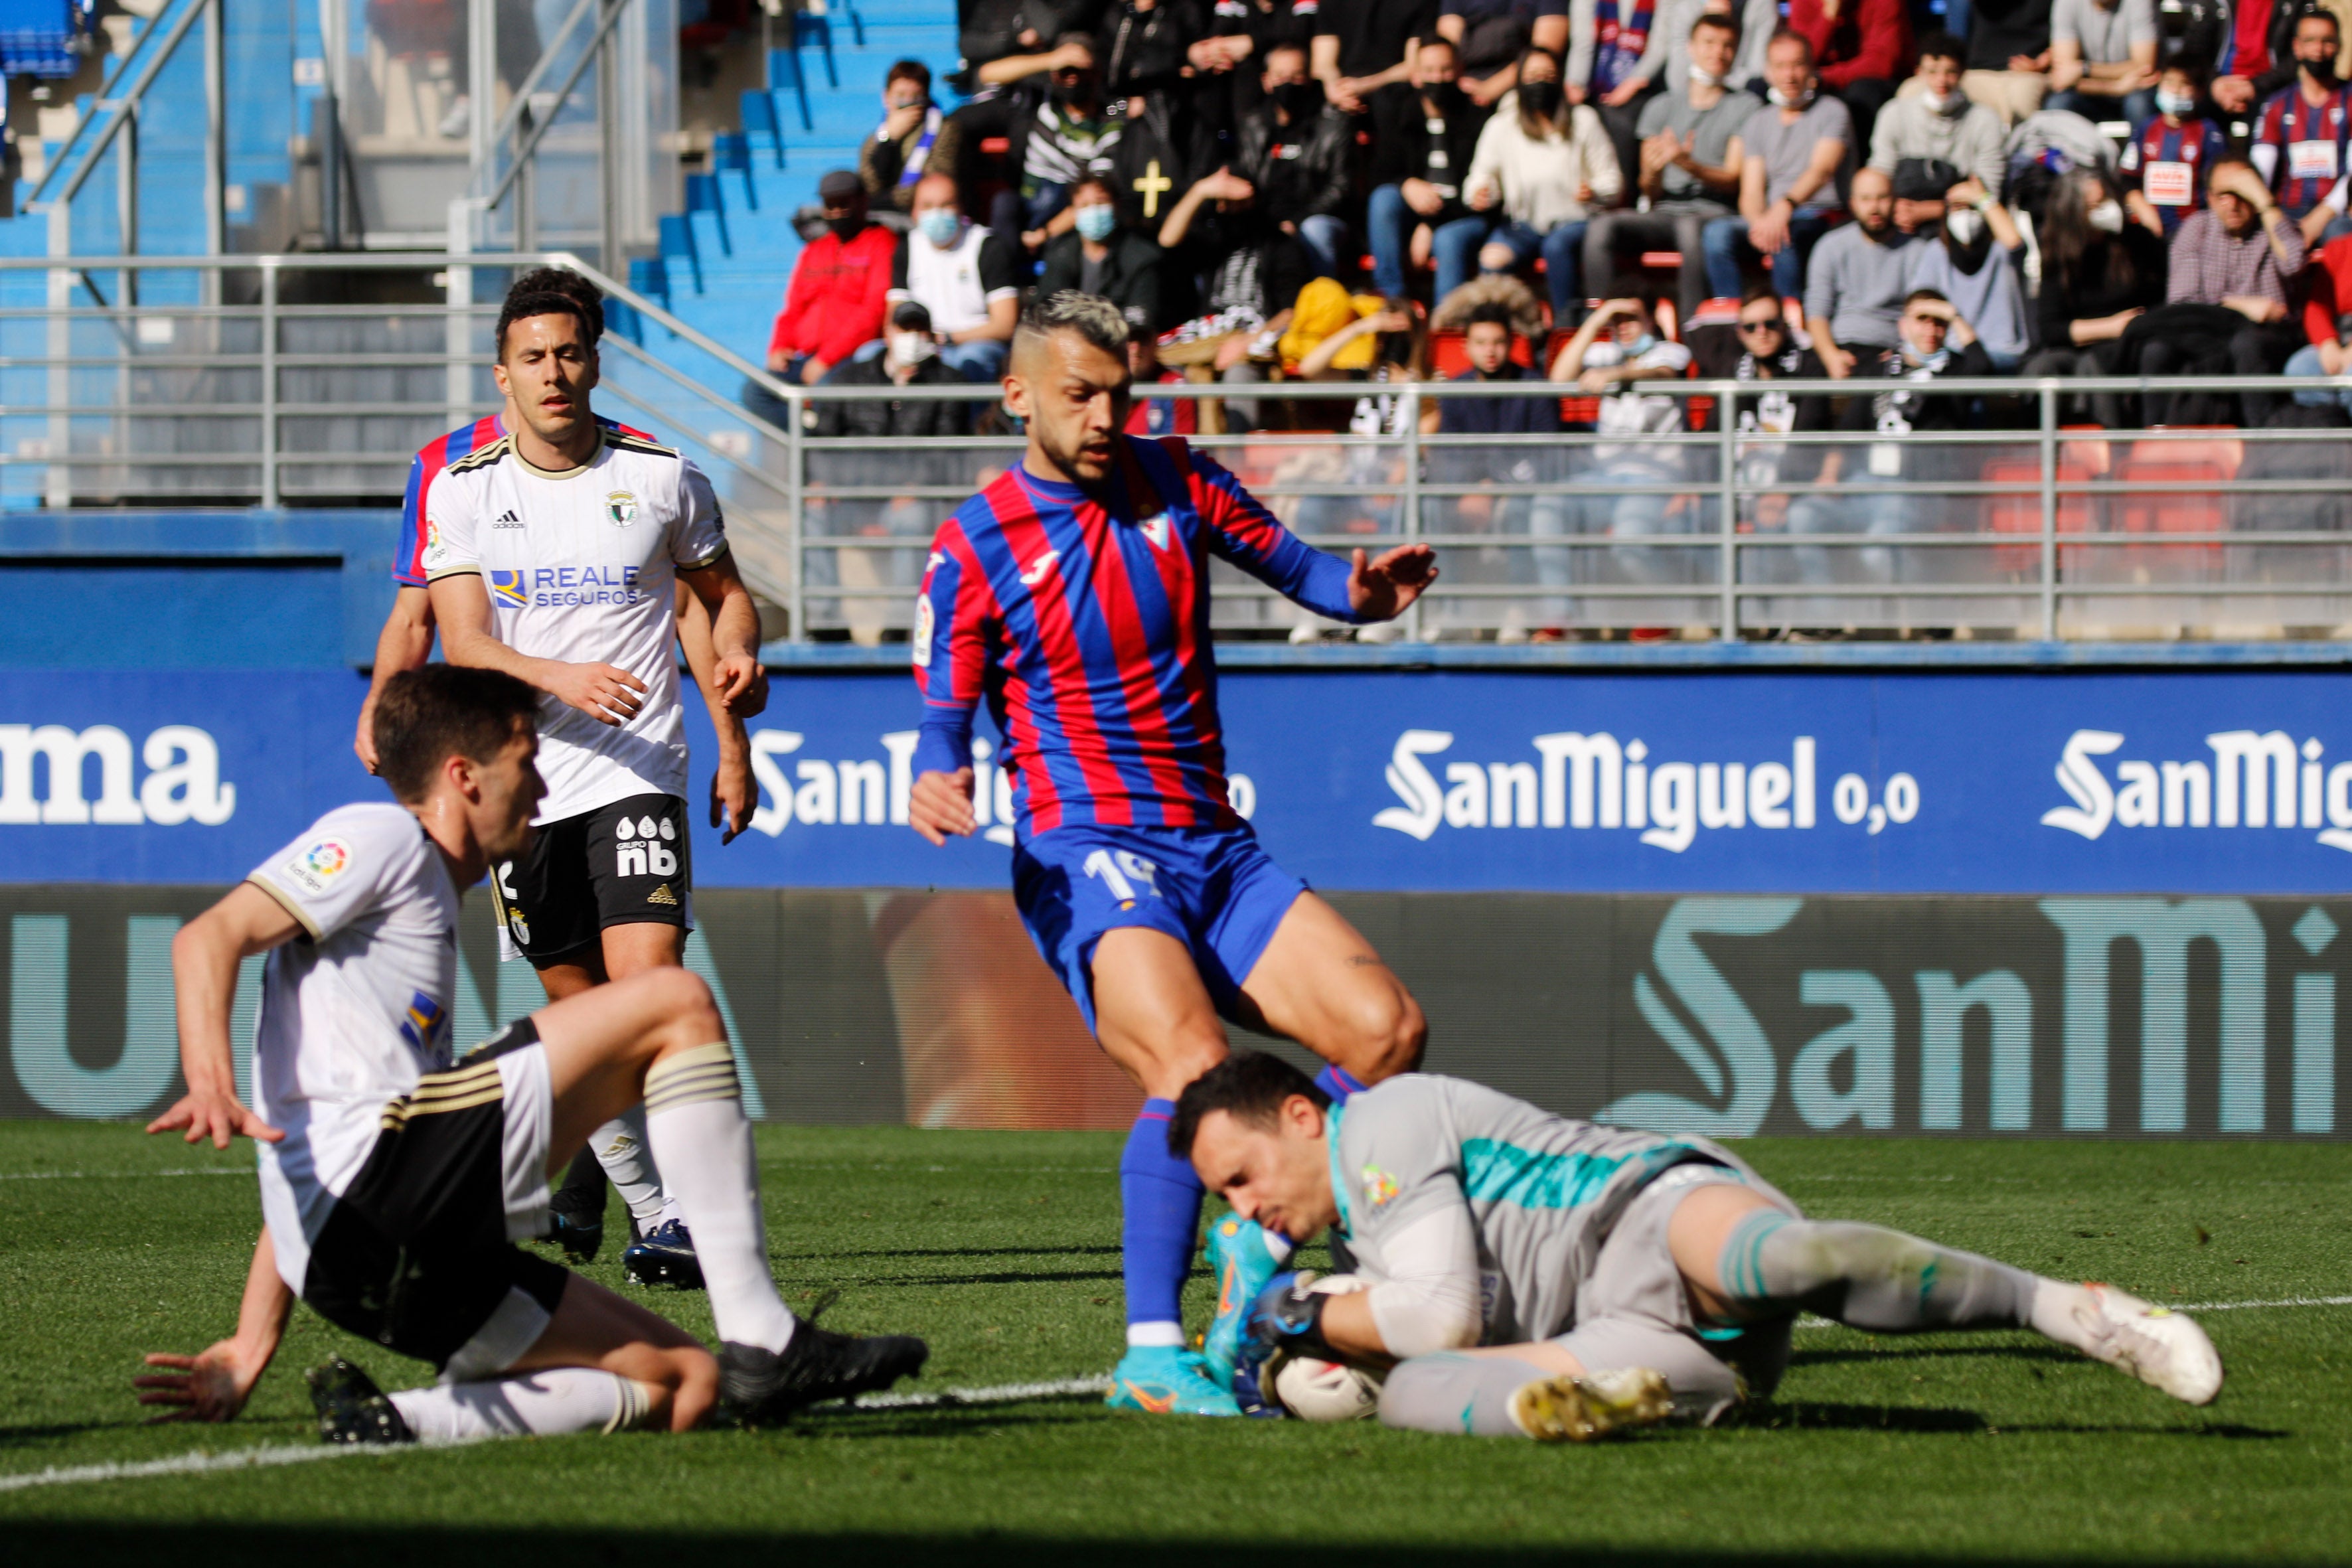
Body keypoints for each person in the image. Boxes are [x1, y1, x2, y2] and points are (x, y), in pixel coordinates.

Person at [134, 666, 927, 1445]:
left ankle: (398, 1422)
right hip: (389, 1189)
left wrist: (249, 1347)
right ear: (463, 776)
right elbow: (207, 937)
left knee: (687, 1384)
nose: (543, 792)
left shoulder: (420, 912)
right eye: (526, 762)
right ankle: (765, 1336)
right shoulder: (380, 835)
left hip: (358, 1259)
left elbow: (309, 1172)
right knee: (675, 1002)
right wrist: (211, 1081)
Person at [906, 291, 1437, 1416]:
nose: (1105, 416)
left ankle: (1253, 1243)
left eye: (1120, 393)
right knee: (1191, 1065)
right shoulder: (974, 543)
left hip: (1214, 844)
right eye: (1078, 394)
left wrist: (1365, 595)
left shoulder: (1179, 480)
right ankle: (1152, 1353)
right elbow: (940, 722)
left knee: (1386, 1031)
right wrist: (938, 773)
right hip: (1083, 843)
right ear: (1017, 396)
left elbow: (1309, 572)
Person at [1171, 1052, 2224, 1440]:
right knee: (1408, 1399)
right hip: (1627, 1331)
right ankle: (1613, 1401)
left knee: (1779, 1264)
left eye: (1241, 1177)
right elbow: (1431, 1328)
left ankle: (2075, 1309)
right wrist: (1330, 1348)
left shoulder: (1382, 1121)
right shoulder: (1365, 1227)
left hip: (1648, 1207)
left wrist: (1295, 1315)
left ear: (1304, 1116)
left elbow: (1440, 1311)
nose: (1244, 1208)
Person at [358, 267, 758, 1284]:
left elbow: (719, 599)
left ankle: (689, 1225)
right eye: (532, 356)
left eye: (569, 353)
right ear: (503, 374)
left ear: (594, 363)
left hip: (639, 771)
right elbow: (456, 633)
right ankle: (633, 1191)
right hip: (522, 786)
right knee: (580, 1012)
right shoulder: (460, 487)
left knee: (650, 988)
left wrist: (735, 724)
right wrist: (556, 677)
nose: (553, 372)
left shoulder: (663, 475)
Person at [1584, 11, 1751, 325]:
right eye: (1709, 43)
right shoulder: (1660, 107)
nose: (1718, 52)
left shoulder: (1745, 106)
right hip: (1664, 212)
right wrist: (1655, 171)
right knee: (1602, 227)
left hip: (1714, 212)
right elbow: (1649, 188)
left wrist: (1688, 164)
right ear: (1690, 47)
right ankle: (1600, 323)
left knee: (1690, 231)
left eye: (1728, 45)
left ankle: (1692, 330)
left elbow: (1733, 179)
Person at [1828, 289, 1996, 588]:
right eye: (1922, 319)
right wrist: (1828, 478)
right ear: (1903, 325)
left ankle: (1921, 608)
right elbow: (1848, 429)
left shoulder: (1955, 370)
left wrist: (1955, 315)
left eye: (1939, 322)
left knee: (1878, 547)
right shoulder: (1881, 369)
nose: (1931, 329)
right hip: (1868, 484)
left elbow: (1983, 366)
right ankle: (1822, 621)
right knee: (1806, 517)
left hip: (1922, 489)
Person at [1453, 46, 1622, 330]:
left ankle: (1564, 329)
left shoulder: (1583, 120)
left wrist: (1593, 190)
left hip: (1574, 221)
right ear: (1520, 81)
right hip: (1522, 225)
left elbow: (1613, 182)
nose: (1540, 83)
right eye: (1532, 76)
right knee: (1491, 260)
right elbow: (1479, 179)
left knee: (1556, 247)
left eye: (1548, 75)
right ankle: (1497, 335)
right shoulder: (1502, 125)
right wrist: (1481, 194)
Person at [1550, 293, 1697, 590]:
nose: (1624, 327)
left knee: (1628, 543)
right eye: (1617, 320)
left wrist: (1620, 373)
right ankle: (1560, 617)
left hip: (1656, 478)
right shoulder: (1606, 353)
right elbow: (1558, 379)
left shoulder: (1671, 350)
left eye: (1631, 318)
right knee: (1548, 508)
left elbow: (1664, 374)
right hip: (1605, 478)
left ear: (1651, 321)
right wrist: (1598, 318)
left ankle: (1673, 608)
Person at [2147, 157, 2310, 425]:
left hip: (2271, 336)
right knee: (2156, 350)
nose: (2232, 204)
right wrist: (2238, 306)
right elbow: (2182, 303)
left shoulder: (2274, 224)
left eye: (2241, 194)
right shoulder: (2197, 228)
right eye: (2223, 196)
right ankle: (2151, 442)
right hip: (2206, 332)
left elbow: (2293, 264)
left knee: (2247, 344)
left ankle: (2261, 442)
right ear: (2210, 199)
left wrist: (2266, 203)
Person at [1704, 30, 1853, 303]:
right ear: (1768, 71)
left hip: (1817, 213)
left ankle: (1790, 321)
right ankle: (1731, 317)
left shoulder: (1833, 112)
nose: (1789, 75)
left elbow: (1822, 170)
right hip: (1772, 218)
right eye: (1780, 66)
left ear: (1811, 68)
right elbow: (1751, 191)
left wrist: (1783, 209)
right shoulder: (1758, 121)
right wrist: (1761, 221)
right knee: (1717, 234)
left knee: (1785, 237)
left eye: (1797, 65)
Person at [749, 170, 897, 422]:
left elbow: (874, 312)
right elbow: (793, 308)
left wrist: (826, 359)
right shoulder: (815, 250)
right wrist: (780, 347)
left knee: (827, 393)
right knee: (756, 392)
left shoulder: (882, 243)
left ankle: (821, 447)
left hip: (853, 356)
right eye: (831, 204)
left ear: (862, 201)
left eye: (844, 203)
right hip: (807, 357)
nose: (837, 211)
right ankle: (808, 441)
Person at [2024, 168, 2167, 424]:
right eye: (2096, 205)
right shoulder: (2059, 254)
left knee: (2092, 365)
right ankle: (2038, 450)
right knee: (2042, 368)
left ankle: (2109, 449)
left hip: (2130, 345)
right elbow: (2051, 329)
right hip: (2084, 344)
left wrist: (2129, 328)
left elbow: (2160, 300)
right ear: (2074, 213)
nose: (2108, 209)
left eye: (2108, 200)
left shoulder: (2138, 242)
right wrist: (2112, 327)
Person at [1718, 288, 1835, 588]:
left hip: (1799, 484)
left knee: (1788, 520)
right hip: (1744, 485)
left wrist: (1780, 490)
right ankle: (1733, 615)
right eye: (1750, 327)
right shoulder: (1736, 372)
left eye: (1770, 324)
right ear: (1740, 333)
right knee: (1697, 516)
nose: (1762, 333)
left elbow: (1807, 436)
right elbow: (1712, 432)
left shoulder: (1810, 366)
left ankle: (1804, 617)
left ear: (1785, 326)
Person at [1366, 38, 1492, 300]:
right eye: (1430, 71)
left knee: (1447, 239)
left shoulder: (1477, 117)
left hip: (1463, 215)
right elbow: (1378, 174)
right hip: (1418, 211)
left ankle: (1445, 327)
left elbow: (1484, 195)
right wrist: (1406, 184)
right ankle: (1393, 303)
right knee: (1384, 199)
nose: (1438, 78)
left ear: (1459, 70)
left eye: (1445, 70)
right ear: (1416, 76)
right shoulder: (1401, 115)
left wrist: (1431, 225)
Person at [879, 173, 1025, 382]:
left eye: (946, 204)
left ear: (961, 208)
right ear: (914, 212)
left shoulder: (988, 246)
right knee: (868, 356)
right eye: (927, 206)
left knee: (968, 360)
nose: (936, 213)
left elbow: (1005, 324)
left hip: (973, 344)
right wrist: (908, 346)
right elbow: (893, 318)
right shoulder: (907, 248)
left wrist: (946, 339)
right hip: (920, 342)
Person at [1235, 44, 1357, 277]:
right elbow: (1248, 178)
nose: (1288, 83)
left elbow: (1341, 186)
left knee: (1316, 229)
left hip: (1318, 218)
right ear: (1266, 81)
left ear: (1309, 79)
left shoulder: (1332, 122)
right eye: (1280, 76)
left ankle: (1322, 301)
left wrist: (1297, 221)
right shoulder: (1253, 125)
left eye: (1296, 76)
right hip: (1265, 219)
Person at [1899, 166, 2030, 370]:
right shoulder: (1936, 252)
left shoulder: (1999, 249)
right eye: (1957, 208)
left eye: (1972, 207)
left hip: (2003, 352)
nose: (1965, 216)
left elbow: (2015, 244)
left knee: (1973, 369)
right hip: (1951, 351)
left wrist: (1983, 198)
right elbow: (1918, 305)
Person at [1802, 164, 1917, 376]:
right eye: (1866, 199)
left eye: (1882, 198)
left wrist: (1904, 351)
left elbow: (1919, 313)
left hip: (1889, 353)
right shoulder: (1831, 246)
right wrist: (1830, 355)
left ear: (1895, 201)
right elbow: (1816, 310)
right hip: (1837, 346)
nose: (1874, 207)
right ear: (1853, 204)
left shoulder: (1916, 251)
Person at [2250, 11, 2352, 247]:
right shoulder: (2276, 105)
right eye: (2310, 41)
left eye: (2327, 41)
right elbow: (2260, 171)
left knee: (2342, 237)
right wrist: (2270, 214)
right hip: (2286, 209)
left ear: (2338, 46)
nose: (2319, 49)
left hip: (2336, 214)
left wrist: (2322, 216)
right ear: (2297, 47)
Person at [1868, 33, 2008, 196]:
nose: (1941, 80)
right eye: (1932, 72)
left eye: (1950, 72)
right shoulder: (1893, 113)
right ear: (1919, 73)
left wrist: (1933, 211)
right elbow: (1880, 175)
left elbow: (1988, 188)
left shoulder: (1985, 120)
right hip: (1901, 208)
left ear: (1963, 73)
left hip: (1962, 213)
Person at [813, 301, 977, 436]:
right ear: (887, 334)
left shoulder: (949, 382)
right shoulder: (850, 378)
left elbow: (948, 447)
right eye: (905, 329)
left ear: (932, 336)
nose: (912, 337)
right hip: (858, 471)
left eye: (919, 330)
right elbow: (824, 437)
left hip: (919, 473)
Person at [1038, 175, 1169, 332]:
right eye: (1085, 205)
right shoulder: (1060, 254)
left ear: (1116, 206)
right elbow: (1045, 312)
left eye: (1101, 203)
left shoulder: (1142, 257)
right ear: (1073, 212)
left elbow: (1140, 319)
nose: (1093, 211)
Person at [2120, 60, 2231, 238]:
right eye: (2169, 82)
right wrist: (2146, 213)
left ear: (2200, 92)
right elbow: (2128, 179)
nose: (2175, 90)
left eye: (2185, 84)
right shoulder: (2146, 128)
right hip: (2149, 229)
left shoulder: (2209, 132)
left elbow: (2219, 184)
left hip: (2194, 232)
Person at [1786, 0, 1911, 148]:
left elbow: (1881, 63)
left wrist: (1823, 77)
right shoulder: (1803, 3)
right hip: (1820, 80)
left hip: (1874, 84)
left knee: (1863, 91)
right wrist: (1828, 16)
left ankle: (1862, 164)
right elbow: (1799, 56)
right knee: (1777, 87)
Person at [1310, 0, 1439, 114]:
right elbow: (1323, 63)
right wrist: (1335, 91)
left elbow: (1414, 65)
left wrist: (1364, 86)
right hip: (1342, 100)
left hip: (1395, 99)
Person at [2045, 0, 2157, 125]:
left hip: (2135, 90)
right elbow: (2063, 78)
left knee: (2139, 104)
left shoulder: (2140, 3)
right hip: (2091, 94)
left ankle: (2140, 145)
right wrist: (2116, 88)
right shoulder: (2067, 3)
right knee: (2059, 104)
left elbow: (2144, 68)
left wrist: (2084, 69)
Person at [1439, 0, 1569, 107]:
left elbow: (1545, 51)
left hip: (1518, 89)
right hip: (1464, 85)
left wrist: (1491, 89)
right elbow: (1447, 45)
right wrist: (1463, 84)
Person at [860, 59, 945, 222]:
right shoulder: (874, 139)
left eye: (915, 97)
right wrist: (890, 139)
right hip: (881, 218)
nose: (907, 103)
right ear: (886, 98)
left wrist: (886, 200)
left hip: (923, 216)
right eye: (900, 96)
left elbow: (935, 181)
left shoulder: (944, 131)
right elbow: (870, 186)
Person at [1958, 0, 2052, 125]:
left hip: (2029, 74)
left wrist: (2042, 62)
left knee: (2021, 104)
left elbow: (2068, 35)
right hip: (1977, 71)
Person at [2287, 229, 2352, 408]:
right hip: (2340, 336)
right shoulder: (2337, 249)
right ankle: (2330, 430)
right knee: (2301, 369)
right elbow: (2317, 306)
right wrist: (2327, 343)